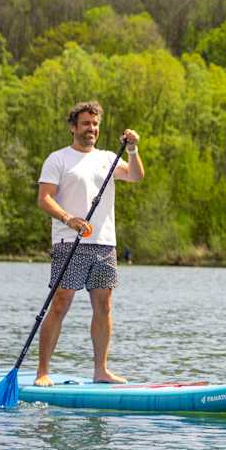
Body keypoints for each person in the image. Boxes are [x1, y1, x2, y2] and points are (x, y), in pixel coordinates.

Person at [34, 100, 144, 386]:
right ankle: (42, 372)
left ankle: (101, 370)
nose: (91, 129)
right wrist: (68, 218)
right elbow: (44, 198)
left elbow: (135, 175)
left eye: (95, 125)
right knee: (61, 303)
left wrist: (132, 149)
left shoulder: (108, 157)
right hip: (69, 241)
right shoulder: (58, 159)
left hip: (104, 243)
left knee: (104, 306)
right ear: (73, 127)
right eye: (85, 124)